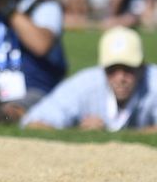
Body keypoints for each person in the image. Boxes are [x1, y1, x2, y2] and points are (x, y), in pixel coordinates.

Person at [21, 27, 157, 132]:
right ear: (102, 68)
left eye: (128, 69)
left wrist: (109, 132)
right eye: (112, 69)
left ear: (142, 67)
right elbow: (33, 122)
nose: (120, 78)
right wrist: (79, 131)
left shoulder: (153, 82)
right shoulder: (84, 85)